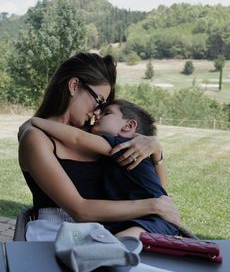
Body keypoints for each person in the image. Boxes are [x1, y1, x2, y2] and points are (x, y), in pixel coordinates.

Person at [18, 52, 180, 241]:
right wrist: (152, 206)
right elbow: (80, 209)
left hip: (109, 233)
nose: (97, 112)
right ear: (74, 86)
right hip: (55, 235)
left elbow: (156, 192)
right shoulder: (36, 138)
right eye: (99, 101)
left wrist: (156, 150)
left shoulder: (97, 134)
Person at [31, 99, 179, 238]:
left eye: (106, 113)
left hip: (154, 220)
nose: (96, 114)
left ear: (128, 126)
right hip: (139, 217)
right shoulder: (129, 151)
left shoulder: (123, 144)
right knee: (114, 239)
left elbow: (77, 138)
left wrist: (35, 121)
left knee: (122, 240)